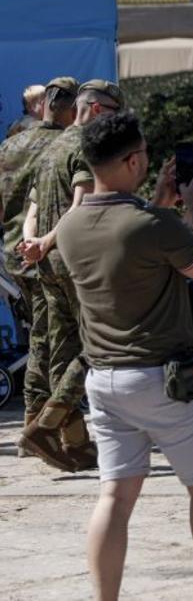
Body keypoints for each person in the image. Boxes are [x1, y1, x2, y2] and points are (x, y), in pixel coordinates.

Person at [55, 112, 193, 601]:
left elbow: (123, 243)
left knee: (115, 497)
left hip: (104, 380)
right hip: (166, 382)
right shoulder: (152, 225)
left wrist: (158, 206)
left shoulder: (70, 227)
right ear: (131, 160)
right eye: (144, 153)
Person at [18, 79, 125, 472]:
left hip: (46, 265)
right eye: (114, 114)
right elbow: (79, 208)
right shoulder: (85, 146)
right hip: (77, 261)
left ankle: (75, 444)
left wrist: (34, 243)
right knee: (97, 346)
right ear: (97, 110)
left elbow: (32, 207)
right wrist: (47, 242)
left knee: (61, 350)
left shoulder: (52, 147)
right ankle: (45, 428)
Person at [0, 77, 77, 458]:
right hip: (49, 255)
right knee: (50, 341)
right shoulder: (63, 146)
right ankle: (40, 427)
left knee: (41, 337)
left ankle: (48, 426)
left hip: (16, 254)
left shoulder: (10, 145)